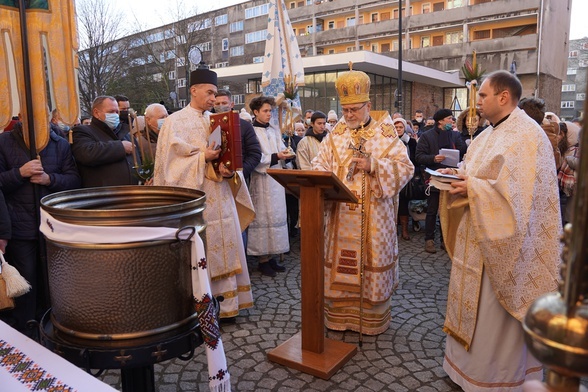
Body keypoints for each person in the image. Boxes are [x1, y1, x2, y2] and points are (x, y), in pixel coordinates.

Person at [438, 70, 561, 390]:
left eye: (483, 96)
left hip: (507, 246)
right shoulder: (487, 135)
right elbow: (475, 173)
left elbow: (517, 199)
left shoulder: (526, 136)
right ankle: (462, 369)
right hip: (477, 237)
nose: (477, 102)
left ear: (503, 97)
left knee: (495, 315)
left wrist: (473, 187)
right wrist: (457, 175)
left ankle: (495, 379)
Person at [312, 65, 414, 335]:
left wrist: (373, 166)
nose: (349, 115)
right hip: (340, 215)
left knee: (372, 261)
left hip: (374, 216)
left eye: (355, 109)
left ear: (368, 105)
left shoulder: (386, 133)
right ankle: (339, 317)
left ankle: (369, 319)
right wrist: (321, 178)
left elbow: (406, 168)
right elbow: (319, 164)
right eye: (346, 110)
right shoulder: (336, 134)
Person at [153, 66, 254, 320]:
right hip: (197, 202)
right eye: (209, 93)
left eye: (215, 93)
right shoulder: (175, 122)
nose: (212, 98)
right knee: (200, 252)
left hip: (221, 193)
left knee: (227, 245)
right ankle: (199, 308)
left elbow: (229, 157)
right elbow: (170, 168)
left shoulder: (217, 120)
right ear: (193, 90)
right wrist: (203, 159)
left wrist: (229, 171)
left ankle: (228, 307)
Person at [0, 121, 80, 336]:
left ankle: (55, 330)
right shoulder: (3, 142)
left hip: (52, 227)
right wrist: (19, 173)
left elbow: (73, 180)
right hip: (20, 226)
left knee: (53, 280)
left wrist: (49, 179)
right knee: (27, 281)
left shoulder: (60, 144)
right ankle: (27, 333)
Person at [247, 96, 291, 277]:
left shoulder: (273, 130)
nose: (268, 114)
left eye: (270, 111)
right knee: (263, 218)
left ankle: (272, 256)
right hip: (261, 182)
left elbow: (281, 148)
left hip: (276, 182)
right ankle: (262, 260)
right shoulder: (251, 132)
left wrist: (289, 155)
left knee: (277, 217)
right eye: (265, 111)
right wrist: (276, 157)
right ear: (256, 112)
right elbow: (254, 158)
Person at [415, 108, 466, 254]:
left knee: (449, 209)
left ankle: (446, 240)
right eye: (449, 118)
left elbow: (463, 151)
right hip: (434, 177)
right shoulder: (427, 136)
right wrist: (433, 158)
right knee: (432, 209)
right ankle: (429, 240)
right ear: (440, 121)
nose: (452, 121)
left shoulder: (455, 135)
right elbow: (418, 156)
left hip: (451, 177)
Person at [71, 96, 139, 187]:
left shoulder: (126, 134)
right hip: (104, 196)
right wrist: (120, 147)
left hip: (132, 193)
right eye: (111, 112)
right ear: (96, 113)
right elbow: (87, 153)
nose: (115, 115)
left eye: (116, 112)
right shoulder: (83, 131)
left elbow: (139, 159)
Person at [213, 89, 262, 182]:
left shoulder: (244, 125)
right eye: (217, 104)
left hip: (238, 178)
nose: (220, 106)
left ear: (231, 104)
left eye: (224, 103)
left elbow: (255, 154)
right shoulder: (209, 124)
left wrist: (239, 174)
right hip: (214, 178)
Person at [393, 117, 418, 241]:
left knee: (403, 203)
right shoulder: (389, 141)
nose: (398, 129)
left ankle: (404, 229)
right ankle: (393, 229)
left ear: (404, 128)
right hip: (392, 176)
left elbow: (415, 159)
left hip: (406, 177)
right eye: (396, 127)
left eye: (400, 127)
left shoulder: (411, 142)